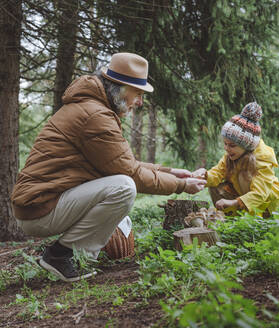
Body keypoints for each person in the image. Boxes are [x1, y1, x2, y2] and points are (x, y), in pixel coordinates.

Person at [11, 52, 206, 282]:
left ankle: (67, 256)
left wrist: (170, 172)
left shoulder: (92, 108)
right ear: (121, 88)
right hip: (39, 209)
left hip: (41, 203)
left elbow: (122, 162)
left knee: (122, 182)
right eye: (138, 93)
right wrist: (182, 185)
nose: (140, 102)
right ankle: (61, 256)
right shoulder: (95, 116)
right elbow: (130, 173)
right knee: (124, 187)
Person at [192, 102, 279, 217]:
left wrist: (234, 202)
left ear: (247, 146)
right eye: (225, 144)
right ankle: (232, 217)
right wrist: (203, 176)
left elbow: (260, 194)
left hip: (264, 203)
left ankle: (253, 218)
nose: (227, 149)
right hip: (243, 192)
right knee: (215, 186)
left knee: (244, 175)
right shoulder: (231, 156)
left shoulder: (262, 160)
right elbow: (217, 173)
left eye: (232, 145)